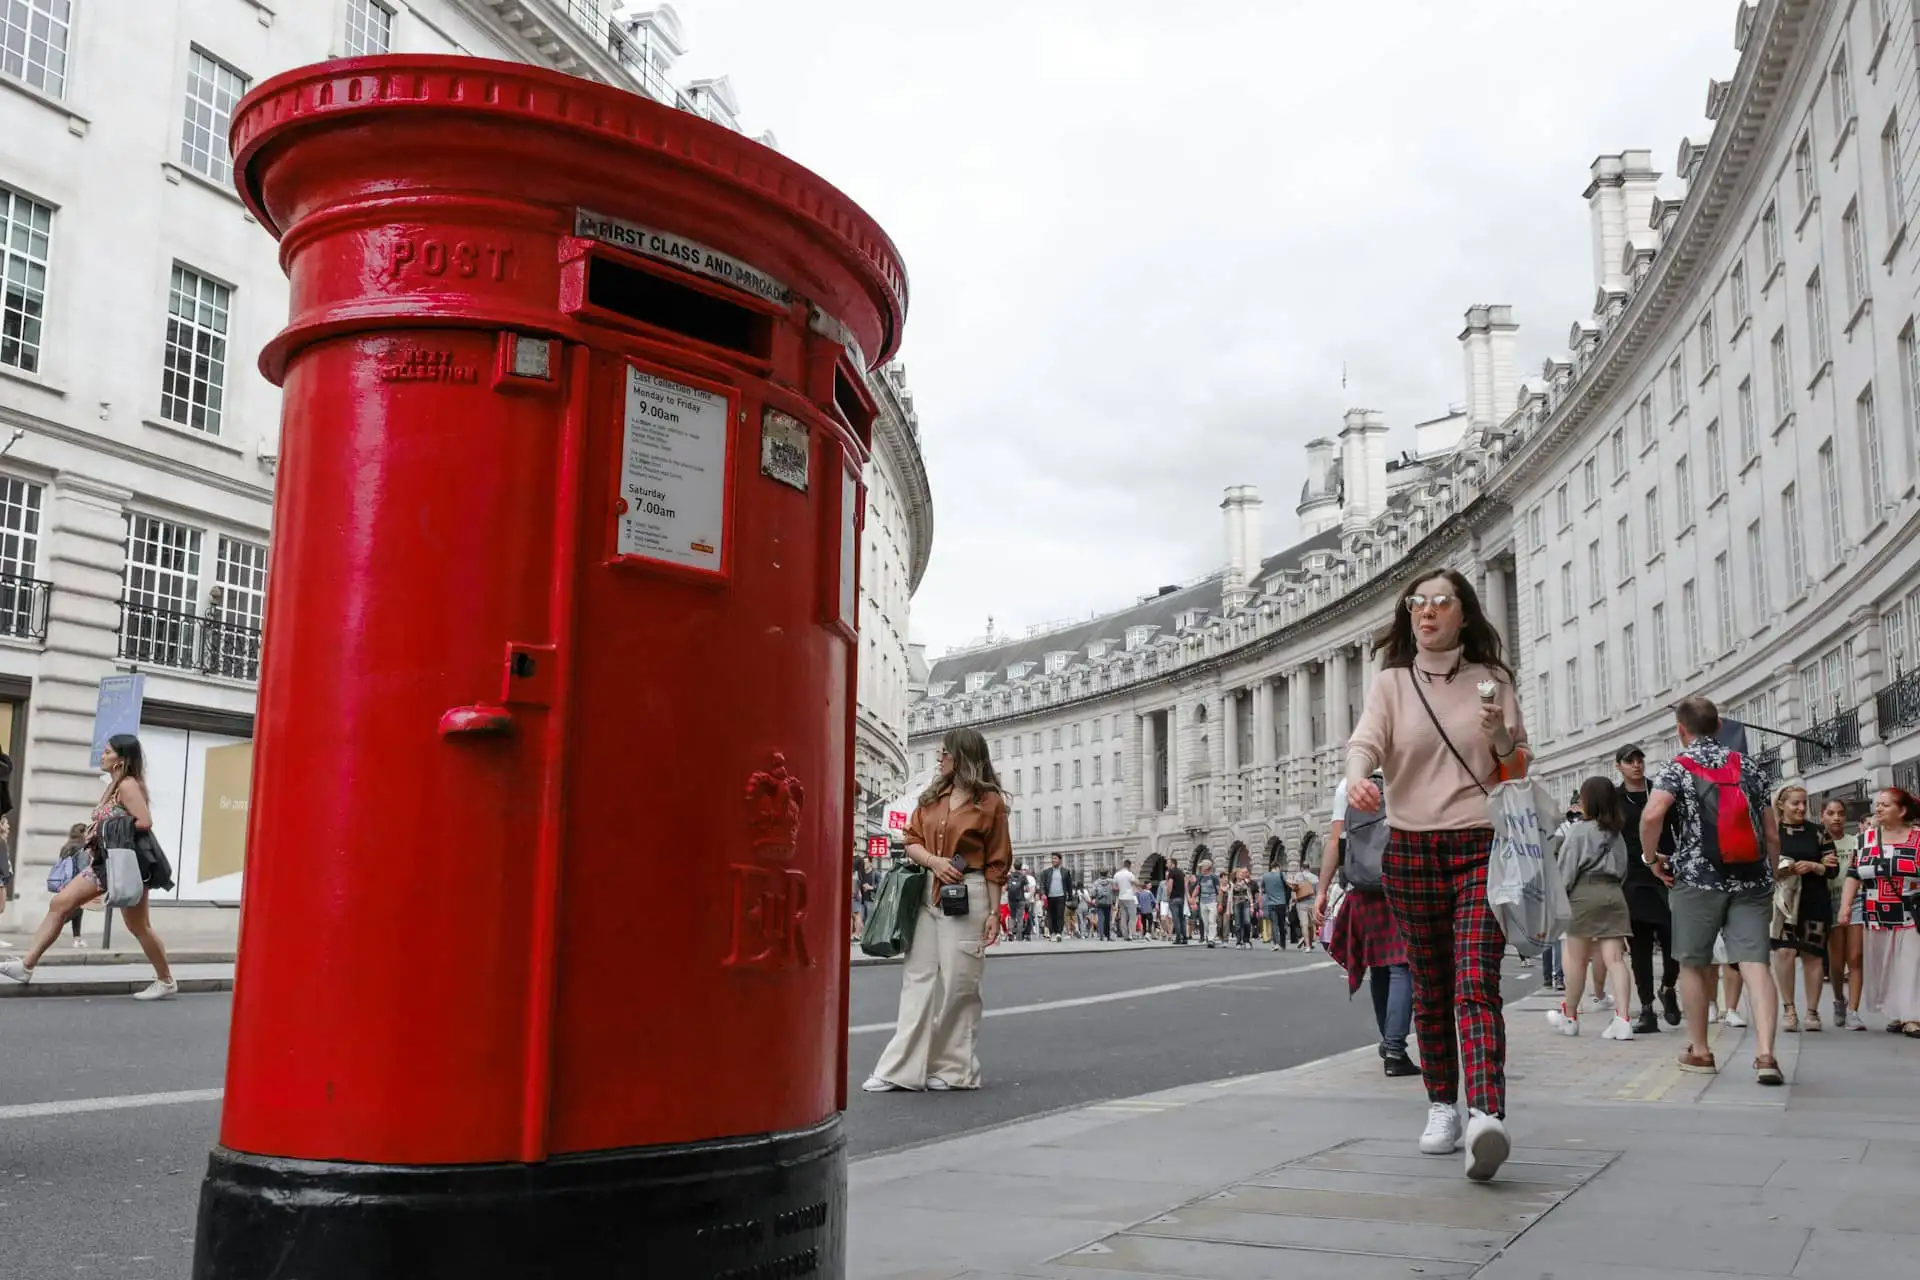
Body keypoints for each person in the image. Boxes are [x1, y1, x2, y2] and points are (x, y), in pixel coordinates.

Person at [1346, 567, 1528, 1181]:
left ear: (1463, 614)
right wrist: (1356, 778)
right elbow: (1365, 743)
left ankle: (1485, 1114)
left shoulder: (1493, 680)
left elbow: (1517, 767)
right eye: (1417, 604)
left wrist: (1501, 737)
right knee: (1430, 985)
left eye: (1441, 603)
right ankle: (1441, 1106)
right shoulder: (1393, 683)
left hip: (1480, 846)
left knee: (1476, 979)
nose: (1427, 613)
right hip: (1412, 850)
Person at [1638, 697, 1785, 1085]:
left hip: (1697, 879)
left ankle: (1701, 1051)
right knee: (1756, 965)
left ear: (1681, 730)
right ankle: (1766, 1054)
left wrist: (1651, 858)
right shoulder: (1750, 766)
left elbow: (1652, 814)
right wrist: (1770, 875)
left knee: (1693, 963)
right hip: (1751, 879)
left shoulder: (1678, 766)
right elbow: (1770, 832)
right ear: (1719, 726)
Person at [863, 728, 1012, 1093]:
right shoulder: (931, 797)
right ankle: (900, 1070)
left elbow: (997, 863)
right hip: (929, 891)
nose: (939, 759)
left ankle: (954, 1069)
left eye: (945, 753)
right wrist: (933, 861)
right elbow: (911, 840)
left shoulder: (989, 802)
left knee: (960, 983)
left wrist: (994, 913)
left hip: (970, 893)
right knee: (918, 979)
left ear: (962, 757)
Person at [1, 735, 177, 999]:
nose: (102, 756)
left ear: (121, 759)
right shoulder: (113, 785)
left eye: (107, 752)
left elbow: (144, 822)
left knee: (139, 926)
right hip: (102, 863)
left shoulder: (128, 785)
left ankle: (165, 980)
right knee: (60, 904)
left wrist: (104, 827)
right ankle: (27, 965)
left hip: (124, 866)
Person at [1315, 773, 1417, 1078]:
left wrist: (1322, 890)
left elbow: (1336, 842)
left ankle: (1389, 1041)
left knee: (1380, 965)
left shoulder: (1349, 785)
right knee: (1403, 965)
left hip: (1363, 887)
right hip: (1402, 880)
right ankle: (1395, 1049)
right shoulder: (1404, 772)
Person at [1544, 777, 1636, 1041]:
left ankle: (1570, 1016)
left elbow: (1567, 870)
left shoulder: (1578, 831)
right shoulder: (1617, 832)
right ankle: (1623, 1019)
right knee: (1615, 960)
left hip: (1584, 894)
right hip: (1614, 894)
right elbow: (1624, 869)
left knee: (1577, 959)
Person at [1835, 786, 1920, 1036]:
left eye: (1886, 804)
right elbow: (1853, 874)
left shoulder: (1918, 838)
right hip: (1876, 912)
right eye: (1878, 804)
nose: (1879, 808)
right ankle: (1896, 1012)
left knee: (1910, 964)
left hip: (1911, 912)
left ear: (1902, 810)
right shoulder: (1865, 840)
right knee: (1885, 965)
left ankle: (1912, 1016)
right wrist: (1846, 906)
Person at [1615, 745, 1680, 1033]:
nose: (1637, 765)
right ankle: (1645, 1009)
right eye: (1630, 761)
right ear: (1619, 766)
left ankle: (1668, 987)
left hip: (1664, 873)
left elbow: (1679, 827)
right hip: (1632, 879)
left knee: (1674, 940)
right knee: (1639, 947)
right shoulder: (1616, 800)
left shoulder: (1660, 791)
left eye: (1640, 760)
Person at [1769, 784, 1838, 1033]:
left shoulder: (1819, 832)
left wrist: (1814, 865)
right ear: (1781, 805)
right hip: (1783, 905)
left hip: (1814, 901)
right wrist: (1784, 866)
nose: (1800, 808)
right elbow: (1762, 867)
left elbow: (1833, 868)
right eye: (1795, 803)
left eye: (1803, 803)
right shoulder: (1772, 833)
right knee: (1784, 953)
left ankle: (1812, 1011)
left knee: (1813, 955)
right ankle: (1789, 1008)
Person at [1822, 800, 1865, 1030]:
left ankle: (1854, 1012)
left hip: (1857, 900)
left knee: (1856, 956)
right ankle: (1839, 1000)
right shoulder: (1818, 843)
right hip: (1829, 902)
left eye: (1840, 813)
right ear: (1822, 817)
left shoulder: (1856, 842)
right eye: (1831, 813)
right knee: (1836, 963)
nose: (1836, 818)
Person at [1040, 853, 1074, 941]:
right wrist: (1043, 893)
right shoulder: (1047, 872)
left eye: (1055, 858)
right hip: (1050, 897)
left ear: (1059, 860)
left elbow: (1069, 885)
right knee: (1051, 916)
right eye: (1052, 859)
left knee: (1060, 915)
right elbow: (1042, 884)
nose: (1053, 860)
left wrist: (1070, 897)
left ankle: (1059, 932)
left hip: (1061, 896)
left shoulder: (1065, 872)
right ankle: (1052, 933)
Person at [1261, 857, 1291, 953]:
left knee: (1274, 924)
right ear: (1278, 867)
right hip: (1281, 902)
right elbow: (1287, 886)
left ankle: (1276, 943)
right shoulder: (1281, 875)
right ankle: (1283, 944)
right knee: (1281, 924)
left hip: (1271, 903)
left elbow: (1263, 889)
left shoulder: (1265, 876)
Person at [1194, 858, 1222, 947]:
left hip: (1212, 901)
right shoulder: (1200, 877)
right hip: (1203, 901)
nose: (1200, 869)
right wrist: (1193, 897)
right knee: (1205, 921)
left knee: (1212, 920)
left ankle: (1211, 939)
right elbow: (1197, 888)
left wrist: (1220, 903)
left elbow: (1219, 890)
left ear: (1207, 868)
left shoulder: (1214, 877)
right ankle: (1208, 935)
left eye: (1201, 867)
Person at [1228, 866, 1255, 948]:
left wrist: (1251, 906)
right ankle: (1238, 941)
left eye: (1242, 873)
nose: (1241, 874)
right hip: (1236, 904)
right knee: (1238, 923)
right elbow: (1230, 897)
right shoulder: (1232, 884)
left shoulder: (1246, 882)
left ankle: (1246, 940)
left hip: (1245, 903)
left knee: (1247, 922)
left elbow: (1249, 894)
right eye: (1239, 873)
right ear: (1236, 875)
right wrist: (1229, 909)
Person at [1113, 859, 1138, 941]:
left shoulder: (1117, 874)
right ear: (1129, 866)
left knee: (1123, 916)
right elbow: (1135, 883)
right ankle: (1132, 934)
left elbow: (1115, 887)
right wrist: (1140, 886)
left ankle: (1125, 935)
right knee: (1132, 916)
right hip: (1129, 897)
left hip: (1121, 897)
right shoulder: (1129, 874)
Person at [1167, 860, 1189, 944]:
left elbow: (1170, 884)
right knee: (1182, 918)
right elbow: (1185, 884)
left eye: (1168, 863)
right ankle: (1185, 937)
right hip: (1181, 897)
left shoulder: (1171, 872)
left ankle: (1178, 937)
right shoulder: (1181, 872)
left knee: (1175, 919)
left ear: (1172, 864)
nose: (1166, 864)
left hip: (1174, 897)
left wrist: (1168, 895)